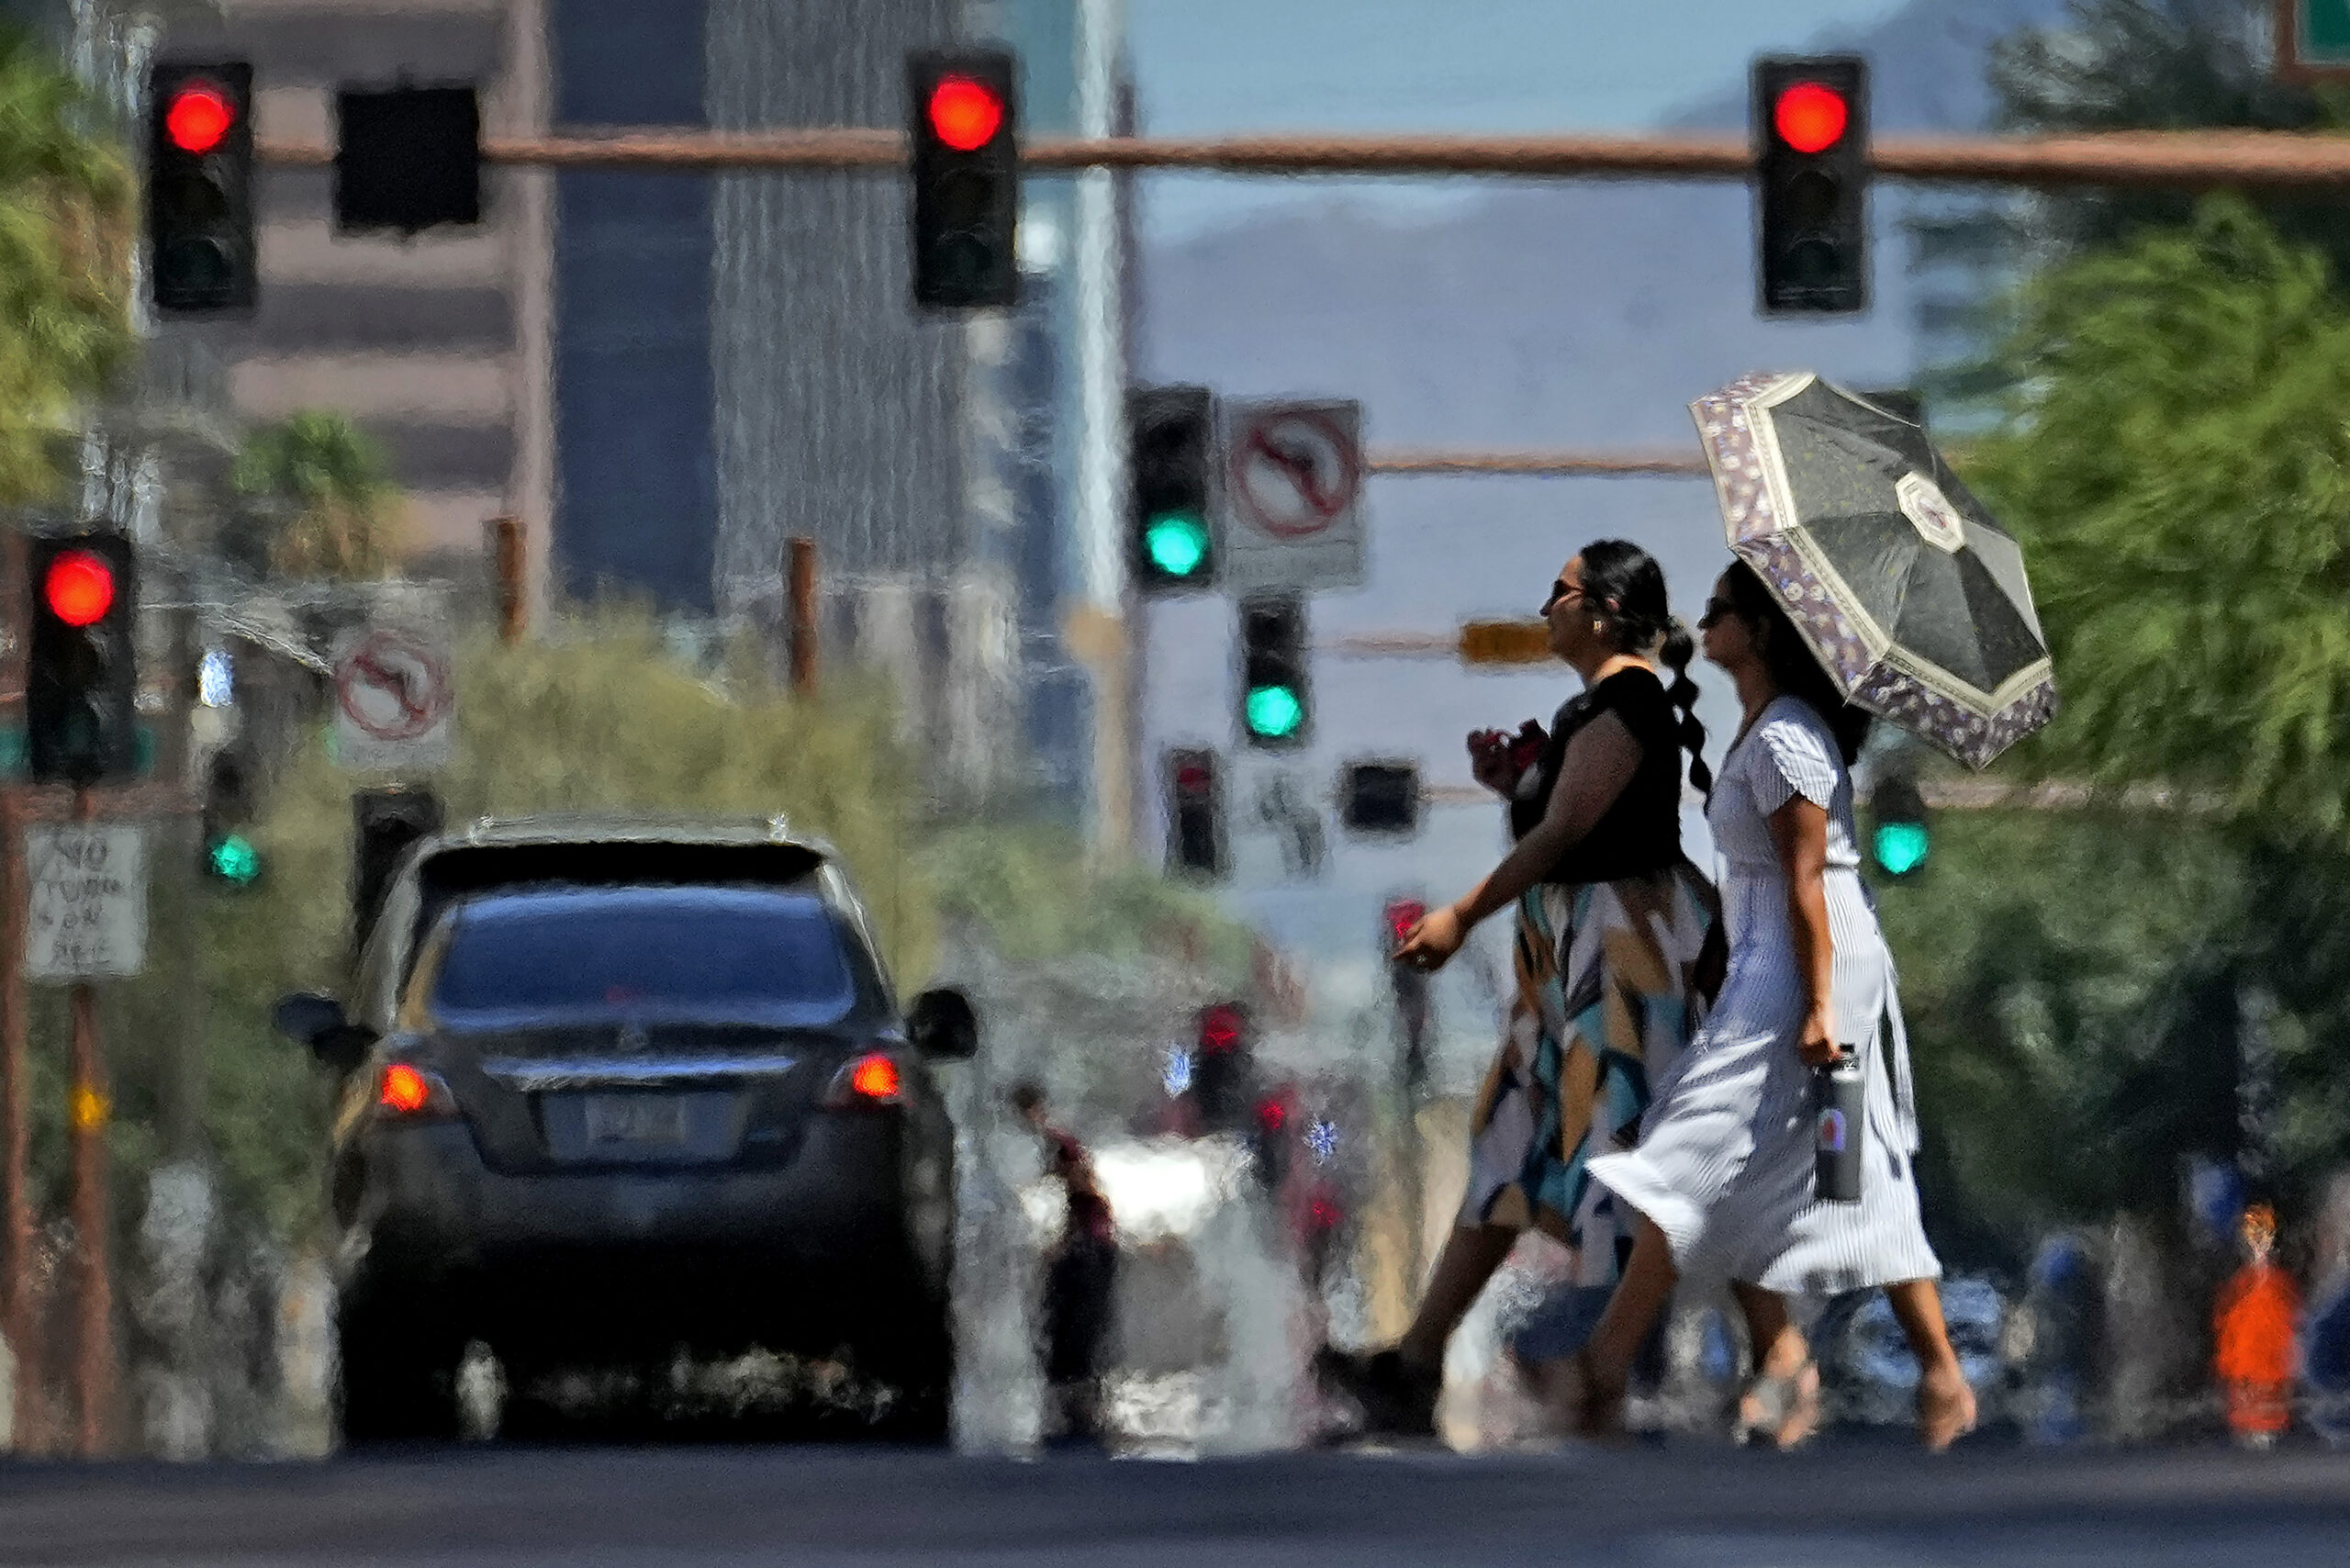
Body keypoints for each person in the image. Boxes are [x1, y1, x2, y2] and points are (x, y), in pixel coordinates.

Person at [1320, 539, 1762, 1437]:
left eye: (1560, 592)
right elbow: (1560, 818)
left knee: (1642, 1163)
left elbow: (1563, 836)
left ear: (1602, 609)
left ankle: (1614, 1361)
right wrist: (1512, 784)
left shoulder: (1629, 703)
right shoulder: (1593, 710)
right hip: (1570, 962)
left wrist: (1457, 917)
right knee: (1509, 1150)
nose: (1546, 605)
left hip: (1620, 961)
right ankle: (1416, 1360)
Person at [1567, 558, 1976, 1450]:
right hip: (1777, 963)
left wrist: (1820, 1008)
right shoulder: (1764, 726)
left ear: (1760, 631)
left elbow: (1805, 881)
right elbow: (1757, 881)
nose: (1702, 621)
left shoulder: (1790, 736)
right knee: (1838, 1171)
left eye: (1719, 610)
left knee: (1690, 1152)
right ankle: (1917, 1370)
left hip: (1810, 968)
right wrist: (1720, 958)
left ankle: (1604, 1365)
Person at [1011, 1082, 1118, 1445]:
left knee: (1074, 1321)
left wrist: (1065, 1240)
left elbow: (1082, 1190)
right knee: (1069, 1321)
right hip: (1086, 1245)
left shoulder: (1058, 1145)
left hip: (1086, 1248)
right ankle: (1075, 1396)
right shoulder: (1055, 1143)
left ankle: (1077, 1397)